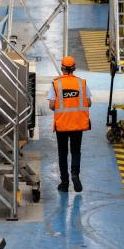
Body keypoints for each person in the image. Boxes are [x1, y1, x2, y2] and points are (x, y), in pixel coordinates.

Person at [48, 56, 92, 193]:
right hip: (77, 125)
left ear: (62, 68)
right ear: (74, 68)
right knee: (75, 151)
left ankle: (65, 182)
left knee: (62, 153)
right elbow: (89, 103)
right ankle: (75, 174)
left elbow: (51, 105)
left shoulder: (56, 84)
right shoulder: (81, 83)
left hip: (62, 125)